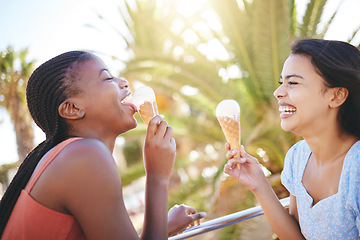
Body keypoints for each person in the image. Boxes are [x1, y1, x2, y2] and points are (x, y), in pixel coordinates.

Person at [0, 51, 205, 239]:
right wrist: (157, 177)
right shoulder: (84, 156)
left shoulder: (74, 156)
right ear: (72, 108)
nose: (124, 82)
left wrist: (164, 227)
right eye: (108, 78)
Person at [223, 39, 360, 239]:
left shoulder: (356, 169)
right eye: (281, 83)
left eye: (293, 83)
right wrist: (259, 184)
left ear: (337, 96)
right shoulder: (298, 157)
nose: (278, 93)